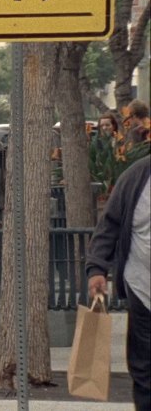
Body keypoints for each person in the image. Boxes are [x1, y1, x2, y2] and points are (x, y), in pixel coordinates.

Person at [86, 154, 150, 410]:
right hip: (143, 289)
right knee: (144, 368)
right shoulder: (136, 177)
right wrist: (97, 268)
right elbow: (109, 224)